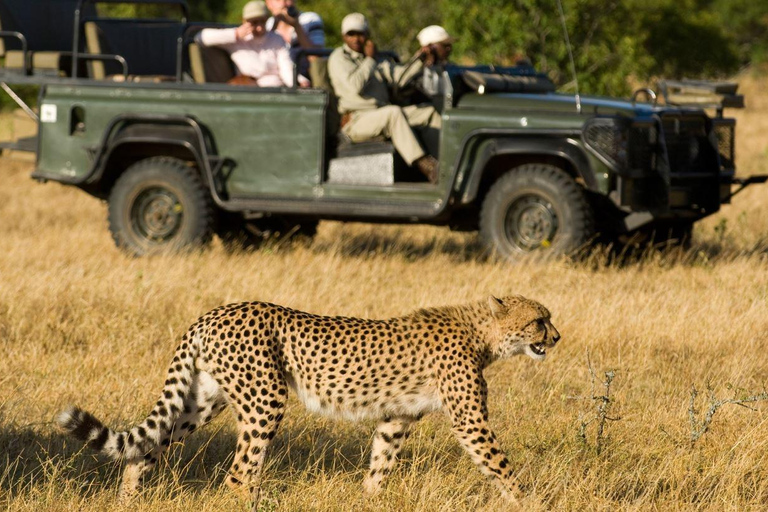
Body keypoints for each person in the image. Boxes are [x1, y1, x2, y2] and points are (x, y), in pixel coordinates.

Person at [327, 13, 440, 183]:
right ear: (344, 36)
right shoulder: (339, 58)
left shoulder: (375, 58)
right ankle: (426, 166)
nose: (356, 39)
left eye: (361, 33)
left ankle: (446, 160)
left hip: (382, 114)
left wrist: (420, 60)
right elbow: (355, 86)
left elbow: (400, 77)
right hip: (357, 120)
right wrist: (371, 59)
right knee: (392, 113)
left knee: (428, 112)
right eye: (351, 34)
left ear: (367, 36)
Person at [196, 1, 297, 87]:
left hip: (275, 89)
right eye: (254, 22)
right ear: (245, 21)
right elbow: (200, 37)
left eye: (262, 22)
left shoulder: (276, 39)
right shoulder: (236, 40)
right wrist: (235, 34)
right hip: (248, 91)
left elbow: (286, 67)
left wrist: (295, 86)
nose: (259, 28)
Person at [416, 25, 455, 99]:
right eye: (445, 45)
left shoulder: (449, 66)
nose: (449, 48)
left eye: (450, 45)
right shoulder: (417, 70)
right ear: (429, 47)